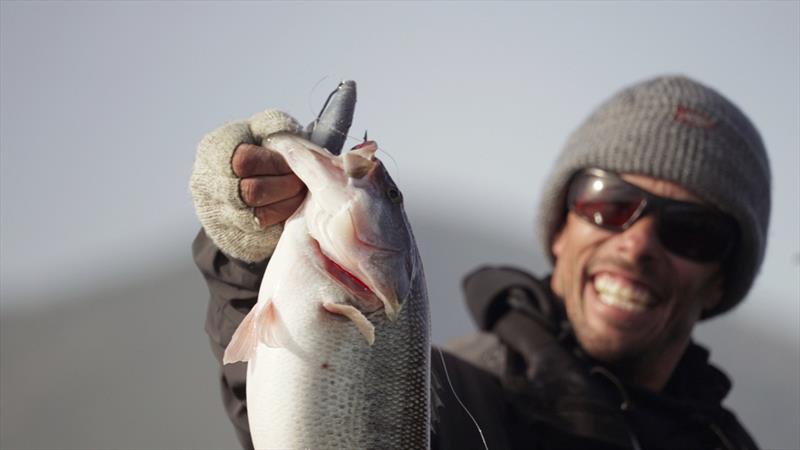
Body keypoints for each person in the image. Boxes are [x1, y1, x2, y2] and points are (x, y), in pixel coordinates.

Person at [190, 75, 769, 449]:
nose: (639, 245)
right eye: (610, 204)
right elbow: (289, 383)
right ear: (560, 227)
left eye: (691, 232)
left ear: (722, 279)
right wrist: (247, 249)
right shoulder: (460, 397)